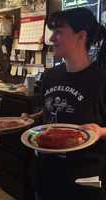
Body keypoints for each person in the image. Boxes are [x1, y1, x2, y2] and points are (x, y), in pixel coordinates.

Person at [26, 7, 106, 200]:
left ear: (81, 36)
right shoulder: (50, 76)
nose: (52, 39)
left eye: (58, 32)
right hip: (46, 172)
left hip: (84, 178)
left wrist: (101, 131)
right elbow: (48, 113)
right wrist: (31, 118)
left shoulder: (102, 79)